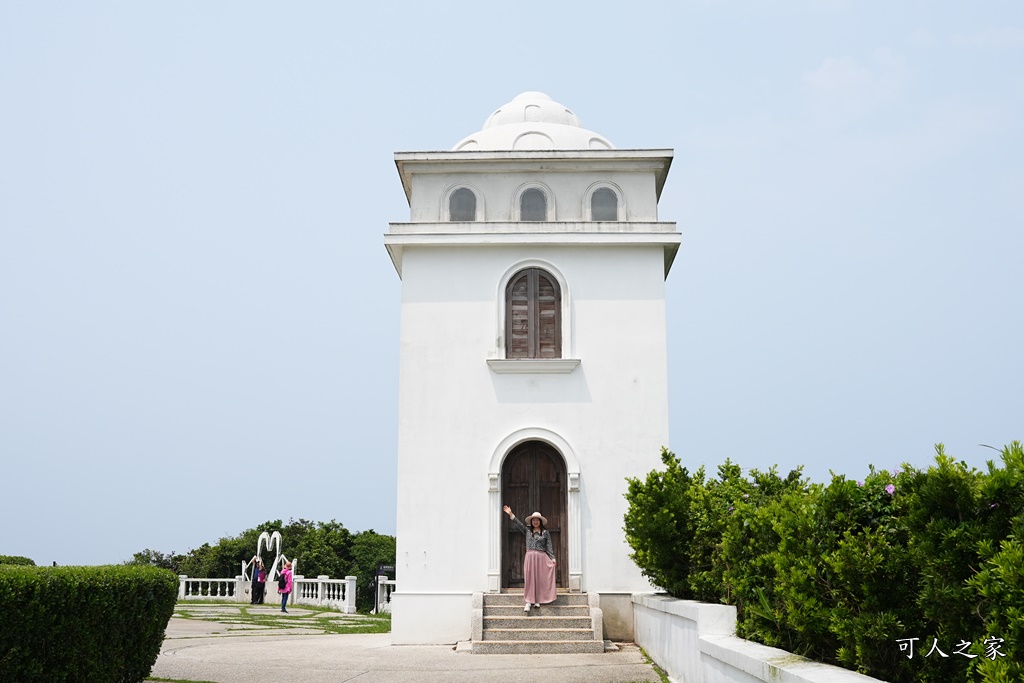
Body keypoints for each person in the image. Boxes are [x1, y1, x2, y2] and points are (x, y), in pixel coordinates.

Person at [502, 505, 557, 613]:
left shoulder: (546, 533)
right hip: (530, 557)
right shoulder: (528, 531)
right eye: (534, 520)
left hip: (541, 557)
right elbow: (519, 525)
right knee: (530, 579)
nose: (535, 522)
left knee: (540, 579)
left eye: (537, 520)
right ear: (531, 521)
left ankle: (538, 600)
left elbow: (549, 546)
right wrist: (511, 514)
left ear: (540, 521)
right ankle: (528, 601)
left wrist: (553, 558)